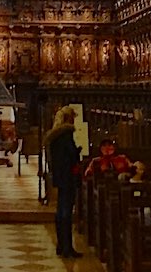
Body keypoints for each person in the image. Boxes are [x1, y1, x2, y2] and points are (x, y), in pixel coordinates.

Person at [45, 106, 84, 258]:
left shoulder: (54, 136)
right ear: (68, 118)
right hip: (68, 177)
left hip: (59, 176)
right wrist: (79, 150)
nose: (74, 119)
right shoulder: (66, 134)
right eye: (73, 117)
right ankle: (67, 247)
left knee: (60, 210)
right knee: (66, 211)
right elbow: (71, 155)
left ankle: (61, 245)